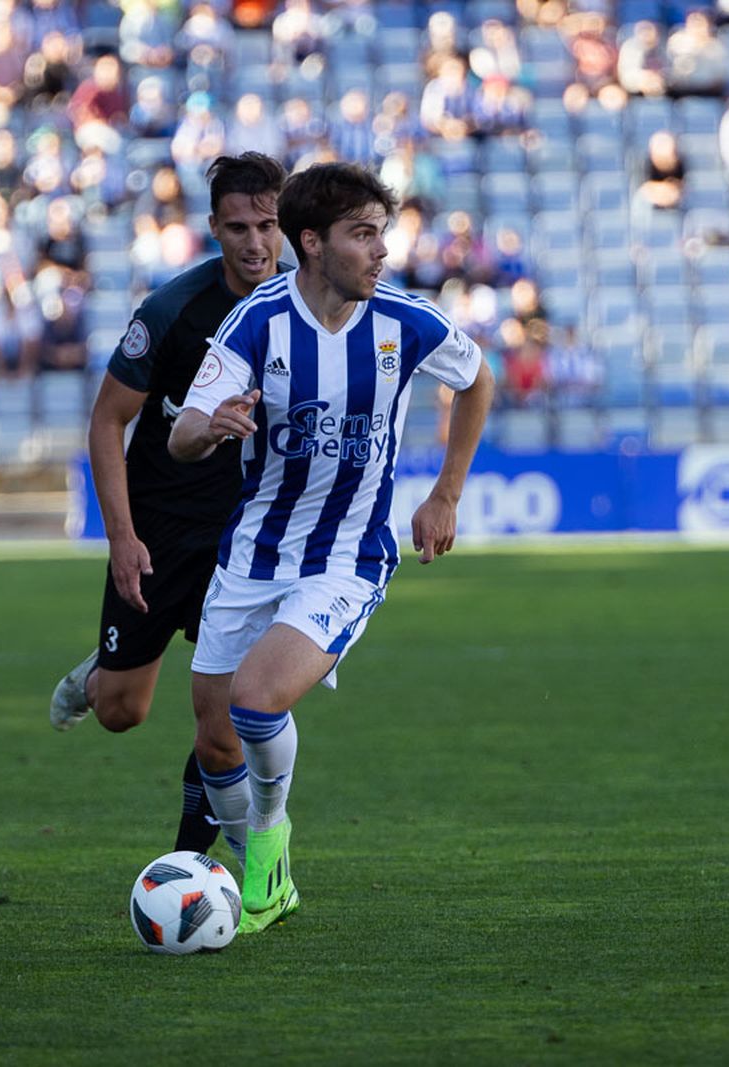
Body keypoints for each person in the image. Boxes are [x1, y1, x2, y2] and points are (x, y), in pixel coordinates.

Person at [167, 162, 494, 932]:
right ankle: (259, 870)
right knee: (213, 739)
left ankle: (269, 843)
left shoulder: (404, 321)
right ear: (310, 242)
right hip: (253, 553)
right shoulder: (258, 321)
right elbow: (183, 430)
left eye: (383, 232)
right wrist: (209, 427)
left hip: (349, 555)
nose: (382, 251)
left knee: (255, 698)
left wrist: (446, 492)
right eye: (364, 234)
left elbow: (477, 380)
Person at [46, 153, 289, 862]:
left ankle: (197, 862)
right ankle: (99, 675)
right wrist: (120, 539)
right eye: (238, 226)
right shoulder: (171, 312)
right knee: (124, 712)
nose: (254, 243)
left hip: (242, 538)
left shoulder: (303, 310)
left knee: (226, 716)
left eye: (268, 225)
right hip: (158, 529)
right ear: (213, 227)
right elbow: (105, 420)